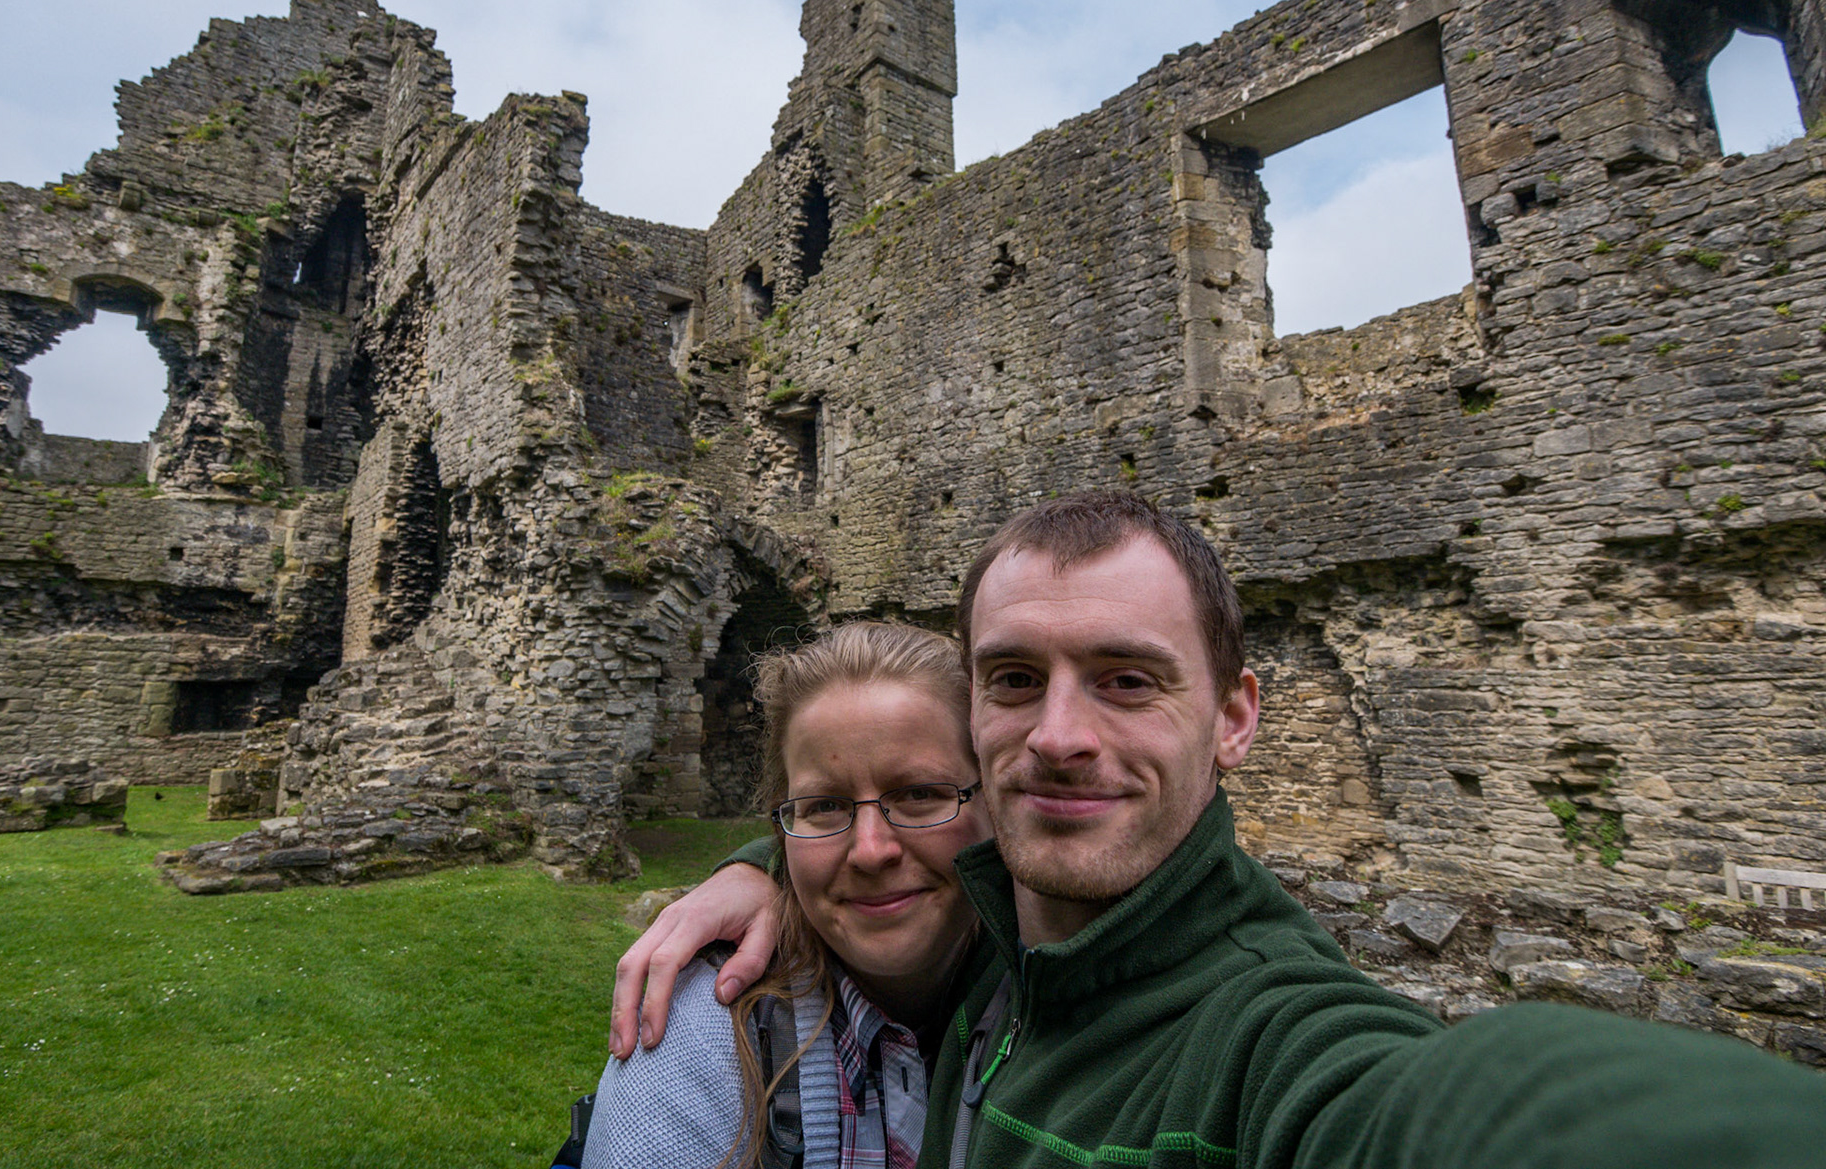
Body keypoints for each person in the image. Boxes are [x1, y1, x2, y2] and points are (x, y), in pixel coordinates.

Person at [615, 489, 1826, 1169]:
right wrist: (777, 862)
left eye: (1130, 680)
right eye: (1015, 679)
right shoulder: (995, 957)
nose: (1060, 735)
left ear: (1236, 715)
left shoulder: (1262, 1034)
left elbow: (1417, 1104)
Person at [583, 620, 993, 1169]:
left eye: (921, 794)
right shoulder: (704, 1030)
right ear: (782, 825)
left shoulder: (1071, 994)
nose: (870, 851)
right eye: (824, 806)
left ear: (999, 799)